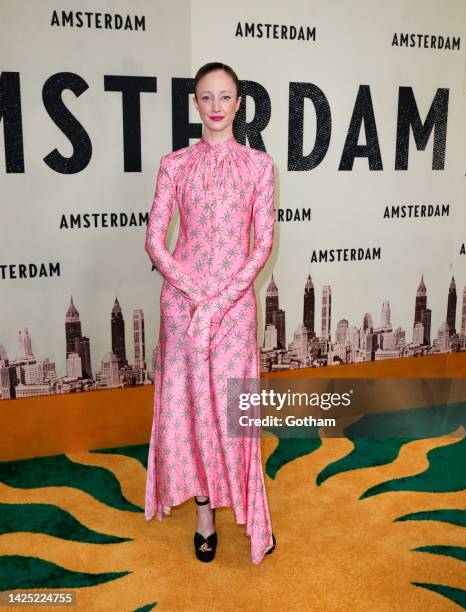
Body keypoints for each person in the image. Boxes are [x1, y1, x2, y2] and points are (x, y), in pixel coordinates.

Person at [144, 61, 276, 565]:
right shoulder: (173, 164)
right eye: (206, 97)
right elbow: (156, 241)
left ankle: (248, 508)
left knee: (233, 414)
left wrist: (221, 299)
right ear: (194, 103)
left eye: (225, 97)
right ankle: (204, 514)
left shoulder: (259, 167)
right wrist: (195, 290)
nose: (216, 107)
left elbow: (261, 245)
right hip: (182, 308)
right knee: (191, 411)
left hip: (234, 309)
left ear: (239, 103)